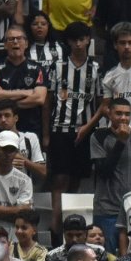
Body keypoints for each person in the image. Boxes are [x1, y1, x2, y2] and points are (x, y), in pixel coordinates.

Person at [43, 20, 101, 237]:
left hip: (84, 130)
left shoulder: (95, 69)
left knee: (76, 177)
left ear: (88, 40)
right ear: (68, 42)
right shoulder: (58, 67)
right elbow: (48, 102)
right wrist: (47, 134)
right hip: (60, 129)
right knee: (59, 178)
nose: (78, 43)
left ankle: (69, 225)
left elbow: (100, 104)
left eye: (82, 39)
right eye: (74, 39)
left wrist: (89, 127)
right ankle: (55, 226)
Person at [89, 99, 131, 252]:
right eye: (119, 113)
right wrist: (121, 142)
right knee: (107, 256)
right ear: (109, 113)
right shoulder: (99, 136)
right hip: (107, 209)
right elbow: (104, 172)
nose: (123, 118)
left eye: (127, 114)